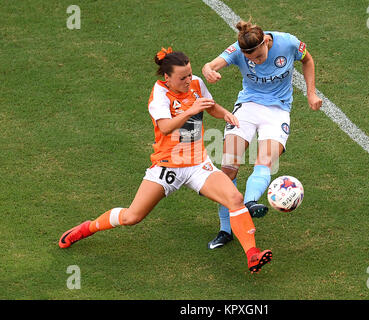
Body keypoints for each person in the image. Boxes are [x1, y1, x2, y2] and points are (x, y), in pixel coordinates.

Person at [58, 47, 272, 274]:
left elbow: (210, 106)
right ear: (166, 78)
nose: (189, 80)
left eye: (190, 74)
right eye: (183, 78)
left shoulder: (196, 84)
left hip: (197, 163)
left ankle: (252, 254)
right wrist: (191, 111)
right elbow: (165, 127)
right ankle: (86, 228)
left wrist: (225, 113)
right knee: (132, 216)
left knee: (235, 198)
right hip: (167, 165)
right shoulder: (159, 95)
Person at [202, 20, 323, 250]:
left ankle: (249, 202)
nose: (256, 61)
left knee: (264, 161)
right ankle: (225, 230)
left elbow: (307, 59)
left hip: (277, 111)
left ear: (266, 42)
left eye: (258, 56)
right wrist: (208, 70)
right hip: (247, 106)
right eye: (251, 59)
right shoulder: (239, 50)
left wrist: (311, 93)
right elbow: (211, 65)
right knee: (228, 167)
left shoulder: (288, 42)